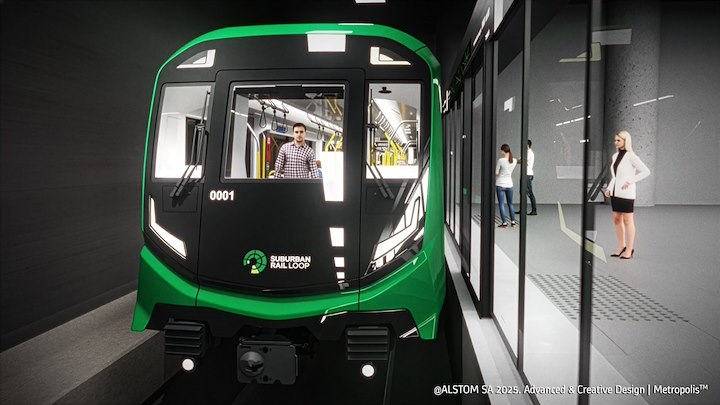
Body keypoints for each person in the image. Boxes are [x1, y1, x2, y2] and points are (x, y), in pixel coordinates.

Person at [603, 130, 651, 259]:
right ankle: (621, 246)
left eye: (618, 140)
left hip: (627, 193)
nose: (616, 142)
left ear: (625, 141)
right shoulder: (615, 156)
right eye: (615, 140)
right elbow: (615, 176)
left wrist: (630, 181)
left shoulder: (631, 156)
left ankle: (629, 249)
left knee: (628, 220)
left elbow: (646, 171)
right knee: (616, 219)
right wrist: (609, 188)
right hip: (615, 192)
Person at [495, 144, 518, 228]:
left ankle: (504, 223)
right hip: (509, 184)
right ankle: (513, 222)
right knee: (510, 204)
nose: (501, 152)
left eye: (501, 150)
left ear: (503, 151)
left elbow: (496, 173)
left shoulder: (500, 160)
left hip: (500, 184)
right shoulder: (514, 160)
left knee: (501, 204)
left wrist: (500, 174)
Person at [516, 139, 538, 215]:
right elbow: (520, 161)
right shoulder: (526, 153)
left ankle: (534, 210)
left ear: (528, 145)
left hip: (527, 175)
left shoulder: (529, 153)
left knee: (529, 192)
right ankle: (522, 209)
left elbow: (522, 161)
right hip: (524, 174)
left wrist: (515, 161)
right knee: (522, 192)